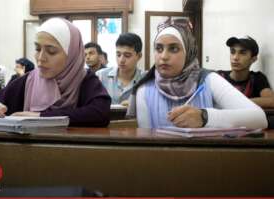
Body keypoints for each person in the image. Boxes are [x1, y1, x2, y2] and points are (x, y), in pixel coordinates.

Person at [127, 18, 268, 129]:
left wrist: (204, 117)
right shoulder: (144, 90)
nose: (163, 56)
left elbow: (259, 118)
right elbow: (146, 142)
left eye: (174, 49)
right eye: (158, 48)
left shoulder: (208, 80)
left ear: (189, 53)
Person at [0, 17, 111, 127]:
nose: (40, 58)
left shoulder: (85, 80)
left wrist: (39, 117)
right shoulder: (28, 81)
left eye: (51, 51)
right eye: (37, 49)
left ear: (71, 54)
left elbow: (101, 113)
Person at [218, 36, 274, 108]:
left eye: (242, 53)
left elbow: (271, 101)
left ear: (253, 59)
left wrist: (238, 102)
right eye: (232, 52)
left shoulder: (257, 78)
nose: (235, 57)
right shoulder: (219, 76)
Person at [96, 33, 144, 105]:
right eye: (118, 55)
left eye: (127, 55)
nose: (121, 60)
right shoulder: (100, 76)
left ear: (139, 56)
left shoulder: (145, 79)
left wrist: (137, 104)